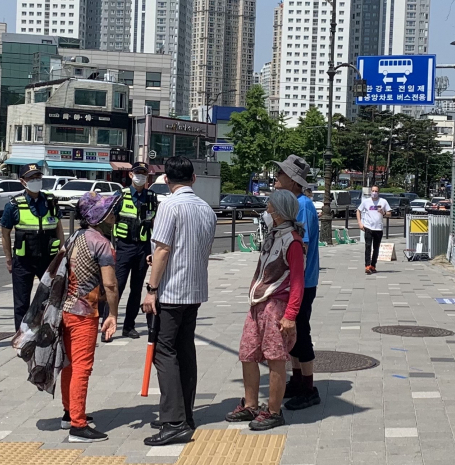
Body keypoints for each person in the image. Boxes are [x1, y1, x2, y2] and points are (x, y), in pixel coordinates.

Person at [142, 156, 217, 446]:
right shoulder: (206, 209)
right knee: (185, 350)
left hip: (171, 290)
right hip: (195, 288)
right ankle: (185, 413)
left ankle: (173, 421)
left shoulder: (169, 206)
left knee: (165, 351)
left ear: (166, 180)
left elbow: (162, 250)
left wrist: (151, 288)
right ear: (194, 178)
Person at [226, 190, 305, 430]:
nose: (267, 211)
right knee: (248, 353)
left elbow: (298, 282)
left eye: (270, 207)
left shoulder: (292, 241)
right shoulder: (274, 235)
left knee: (275, 358)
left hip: (276, 305)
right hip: (258, 303)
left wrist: (290, 316)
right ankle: (250, 405)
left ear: (280, 212)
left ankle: (273, 411)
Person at [61, 191, 120, 442]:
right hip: (86, 312)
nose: (114, 214)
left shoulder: (75, 236)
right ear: (100, 216)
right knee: (83, 368)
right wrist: (114, 314)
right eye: (110, 210)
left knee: (69, 364)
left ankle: (69, 413)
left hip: (66, 309)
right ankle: (78, 425)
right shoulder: (101, 243)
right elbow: (111, 285)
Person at [274, 155, 321, 410]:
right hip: (296, 280)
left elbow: (300, 248)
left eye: (281, 174)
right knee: (291, 332)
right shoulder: (297, 202)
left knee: (301, 332)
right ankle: (297, 380)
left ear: (293, 181)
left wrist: (292, 281)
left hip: (300, 281)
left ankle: (309, 387)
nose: (276, 177)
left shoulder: (301, 205)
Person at [1, 163, 64, 330]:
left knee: (50, 299)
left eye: (38, 177)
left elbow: (58, 227)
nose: (36, 180)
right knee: (21, 302)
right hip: (23, 260)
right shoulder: (14, 205)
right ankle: (21, 337)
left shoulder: (50, 202)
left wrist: (62, 253)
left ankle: (46, 333)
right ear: (23, 181)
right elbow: (5, 233)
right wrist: (9, 259)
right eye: (32, 178)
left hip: (48, 260)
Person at [106, 162, 158, 341]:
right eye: (138, 173)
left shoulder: (151, 197)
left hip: (143, 248)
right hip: (124, 247)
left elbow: (155, 223)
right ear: (130, 175)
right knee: (116, 286)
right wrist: (108, 244)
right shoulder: (120, 195)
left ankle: (129, 326)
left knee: (136, 289)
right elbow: (107, 218)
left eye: (144, 173)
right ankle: (108, 325)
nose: (140, 176)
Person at [357, 185, 391, 275]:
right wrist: (360, 223)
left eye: (376, 191)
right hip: (368, 227)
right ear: (370, 191)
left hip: (378, 228)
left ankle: (373, 265)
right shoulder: (366, 202)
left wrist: (383, 212)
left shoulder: (383, 201)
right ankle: (367, 266)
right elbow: (358, 210)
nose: (374, 193)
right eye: (373, 191)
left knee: (376, 248)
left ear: (378, 192)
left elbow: (389, 213)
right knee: (368, 246)